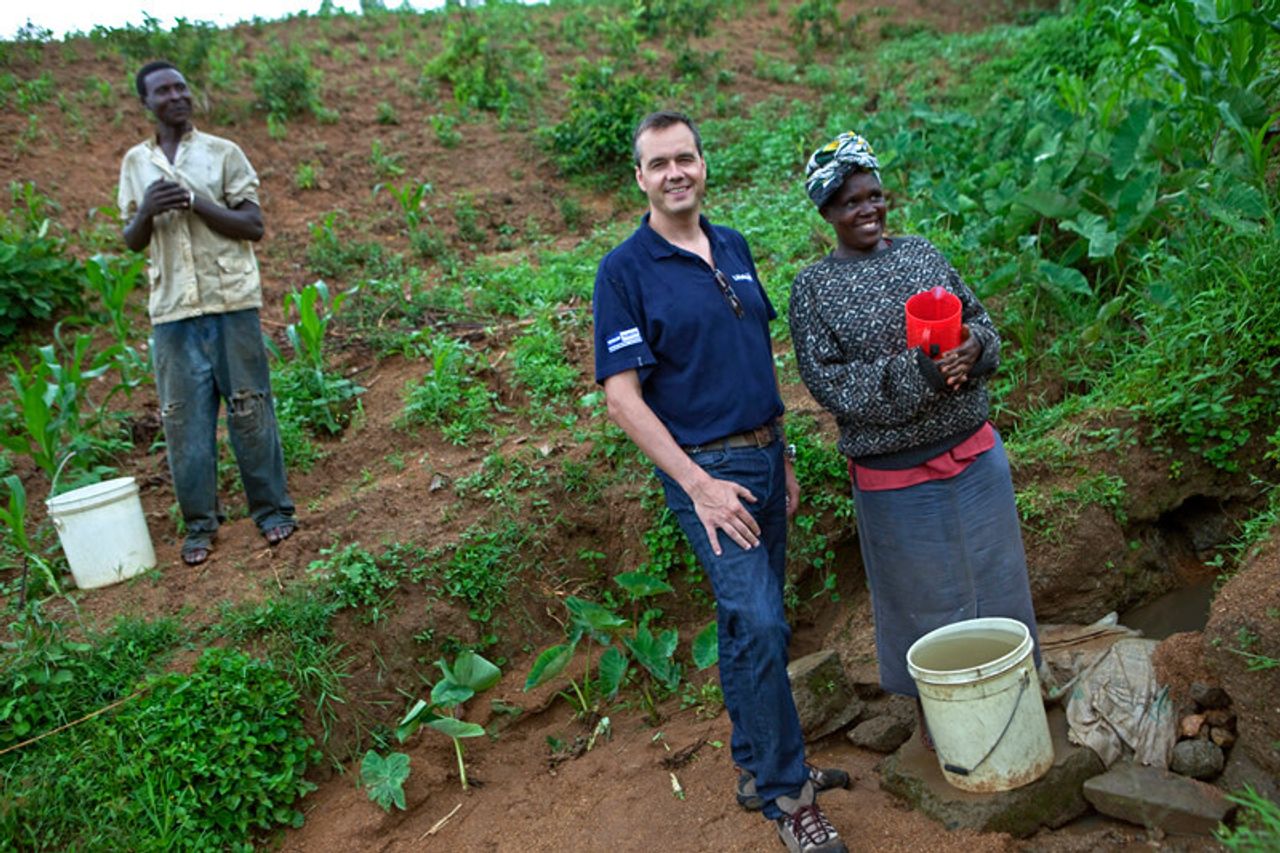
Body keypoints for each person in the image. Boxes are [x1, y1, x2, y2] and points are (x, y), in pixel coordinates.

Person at [592, 111, 848, 853]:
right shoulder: (625, 270)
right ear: (639, 178)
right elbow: (622, 398)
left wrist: (786, 451)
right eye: (659, 163)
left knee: (749, 624)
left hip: (765, 458)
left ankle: (758, 768)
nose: (676, 173)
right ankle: (788, 794)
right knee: (761, 621)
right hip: (708, 473)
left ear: (704, 165)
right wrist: (698, 484)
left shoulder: (730, 244)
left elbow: (754, 357)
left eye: (686, 158)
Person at [788, 131, 1041, 738]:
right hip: (896, 477)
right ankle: (947, 721)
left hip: (976, 457)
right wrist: (922, 372)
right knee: (923, 601)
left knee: (998, 581)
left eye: (874, 196)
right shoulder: (814, 289)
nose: (868, 210)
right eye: (850, 202)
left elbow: (979, 322)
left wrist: (974, 349)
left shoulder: (923, 254)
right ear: (827, 212)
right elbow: (832, 385)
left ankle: (1018, 696)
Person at [119, 60, 296, 566]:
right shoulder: (135, 164)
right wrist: (147, 209)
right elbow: (133, 242)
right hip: (172, 312)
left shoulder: (223, 153)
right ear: (146, 103)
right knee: (184, 422)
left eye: (181, 87)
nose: (176, 96)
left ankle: (272, 511)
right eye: (163, 91)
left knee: (250, 408)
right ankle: (200, 527)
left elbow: (253, 225)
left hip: (231, 302)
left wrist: (196, 202)